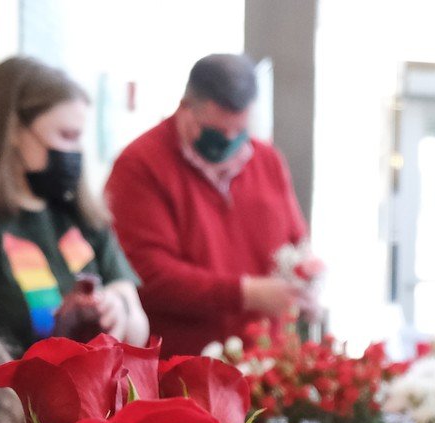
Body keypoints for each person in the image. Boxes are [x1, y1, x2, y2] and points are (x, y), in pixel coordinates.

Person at [105, 54, 315, 356]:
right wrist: (245, 294)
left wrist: (305, 279)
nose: (230, 141)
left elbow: (296, 241)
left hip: (263, 358)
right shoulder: (139, 166)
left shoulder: (267, 160)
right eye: (217, 132)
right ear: (185, 107)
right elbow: (148, 274)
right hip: (184, 364)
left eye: (239, 131)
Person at [0, 57, 148, 354]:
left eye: (80, 139)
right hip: (8, 400)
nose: (76, 153)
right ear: (12, 129)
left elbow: (138, 328)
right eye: (67, 136)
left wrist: (117, 308)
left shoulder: (83, 217)